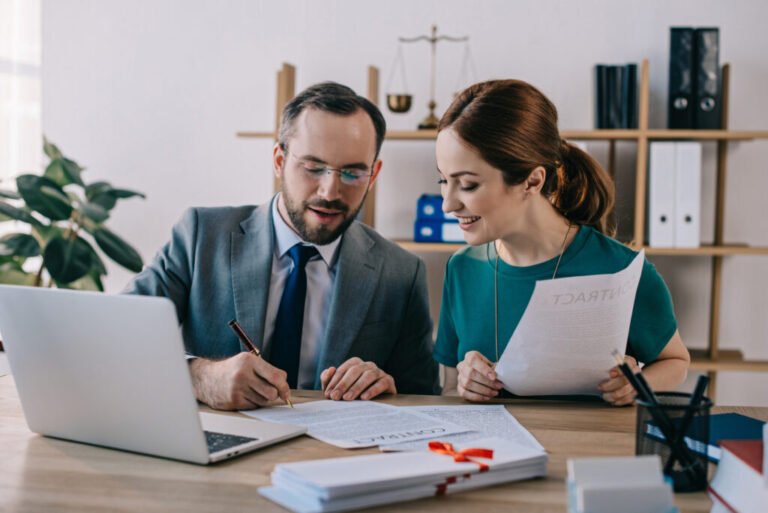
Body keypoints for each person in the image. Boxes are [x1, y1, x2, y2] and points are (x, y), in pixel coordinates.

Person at [125, 82, 439, 410]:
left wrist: (390, 390)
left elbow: (425, 398)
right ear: (279, 160)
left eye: (352, 173)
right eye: (313, 168)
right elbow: (119, 335)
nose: (330, 191)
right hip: (216, 451)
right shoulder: (200, 236)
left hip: (332, 456)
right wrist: (199, 376)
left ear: (373, 174)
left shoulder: (402, 272)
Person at [433, 79, 690, 406]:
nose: (448, 204)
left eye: (467, 184)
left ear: (533, 180)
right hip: (495, 453)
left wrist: (638, 382)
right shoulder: (462, 268)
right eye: (443, 180)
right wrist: (465, 383)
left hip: (588, 451)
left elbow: (676, 362)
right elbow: (449, 389)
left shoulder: (620, 269)